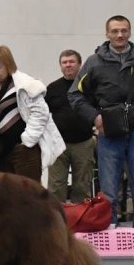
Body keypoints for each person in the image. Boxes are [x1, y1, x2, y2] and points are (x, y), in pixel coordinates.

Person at [69, 15, 134, 235]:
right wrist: (95, 118)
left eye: (124, 30)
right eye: (115, 31)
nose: (120, 35)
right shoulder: (94, 62)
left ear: (130, 32)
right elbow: (75, 95)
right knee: (109, 197)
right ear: (107, 33)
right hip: (108, 135)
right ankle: (110, 245)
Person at [0, 45, 65, 182]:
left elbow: (41, 113)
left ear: (8, 65)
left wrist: (27, 141)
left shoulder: (25, 84)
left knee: (29, 192)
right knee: (8, 192)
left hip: (24, 150)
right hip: (3, 151)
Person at [45, 50, 95, 203]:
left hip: (84, 143)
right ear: (60, 66)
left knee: (82, 186)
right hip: (58, 144)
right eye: (64, 62)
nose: (68, 65)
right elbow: (43, 115)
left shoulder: (90, 86)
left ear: (80, 64)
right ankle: (56, 216)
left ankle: (81, 216)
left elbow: (100, 110)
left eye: (71, 62)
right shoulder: (52, 88)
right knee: (56, 186)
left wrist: (97, 133)